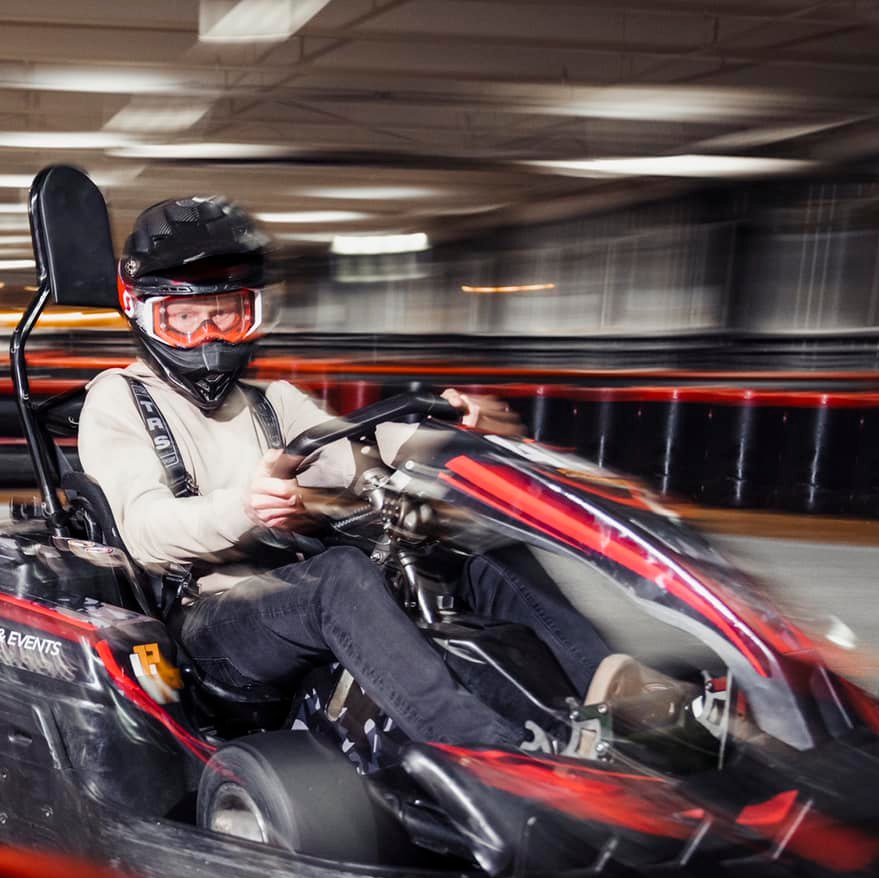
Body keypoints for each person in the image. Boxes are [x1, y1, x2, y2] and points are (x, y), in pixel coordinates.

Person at [76, 193, 665, 750]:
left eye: (226, 316)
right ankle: (485, 751)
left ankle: (616, 709)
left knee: (476, 549)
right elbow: (145, 532)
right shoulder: (117, 400)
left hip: (293, 584)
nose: (208, 338)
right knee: (341, 575)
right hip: (209, 619)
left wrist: (450, 438)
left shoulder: (272, 399)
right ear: (143, 314)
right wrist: (244, 506)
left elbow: (365, 451)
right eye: (185, 319)